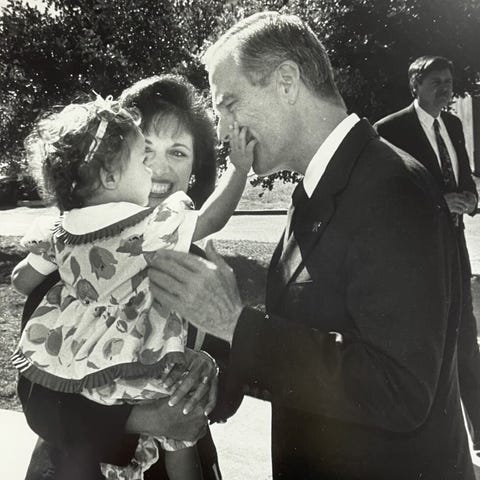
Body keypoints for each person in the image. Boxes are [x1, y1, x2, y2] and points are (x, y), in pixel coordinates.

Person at [146, 12, 475, 479]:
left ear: (286, 82)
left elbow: (400, 389)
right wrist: (219, 372)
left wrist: (235, 324)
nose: (222, 132)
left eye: (229, 104)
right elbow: (311, 336)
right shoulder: (319, 189)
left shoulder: (391, 187)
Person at [15, 75, 244, 480]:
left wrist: (209, 371)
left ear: (195, 168)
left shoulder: (196, 258)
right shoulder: (77, 247)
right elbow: (37, 399)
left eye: (177, 152)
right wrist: (142, 420)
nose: (157, 167)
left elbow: (233, 381)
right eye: (146, 150)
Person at [374, 55, 480, 449]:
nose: (446, 89)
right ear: (415, 84)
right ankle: (428, 434)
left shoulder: (452, 124)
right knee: (428, 337)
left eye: (450, 81)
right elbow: (386, 196)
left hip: (454, 245)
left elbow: (463, 172)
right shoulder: (390, 130)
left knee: (465, 332)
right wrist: (440, 202)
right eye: (437, 81)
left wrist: (469, 198)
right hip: (416, 255)